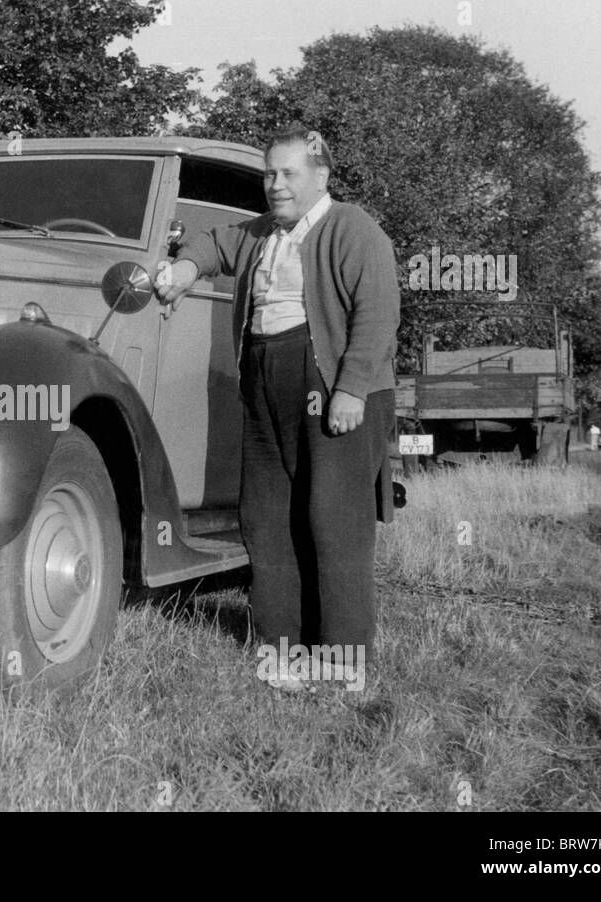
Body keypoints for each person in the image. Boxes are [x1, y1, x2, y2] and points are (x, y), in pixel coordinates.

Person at [156, 125, 400, 691]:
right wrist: (187, 271)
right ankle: (280, 652)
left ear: (321, 176)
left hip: (332, 381)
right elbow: (215, 242)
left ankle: (341, 663)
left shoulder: (352, 227)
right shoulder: (263, 232)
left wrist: (351, 389)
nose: (275, 185)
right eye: (269, 173)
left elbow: (378, 311)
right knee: (266, 518)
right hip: (266, 378)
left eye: (289, 174)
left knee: (333, 521)